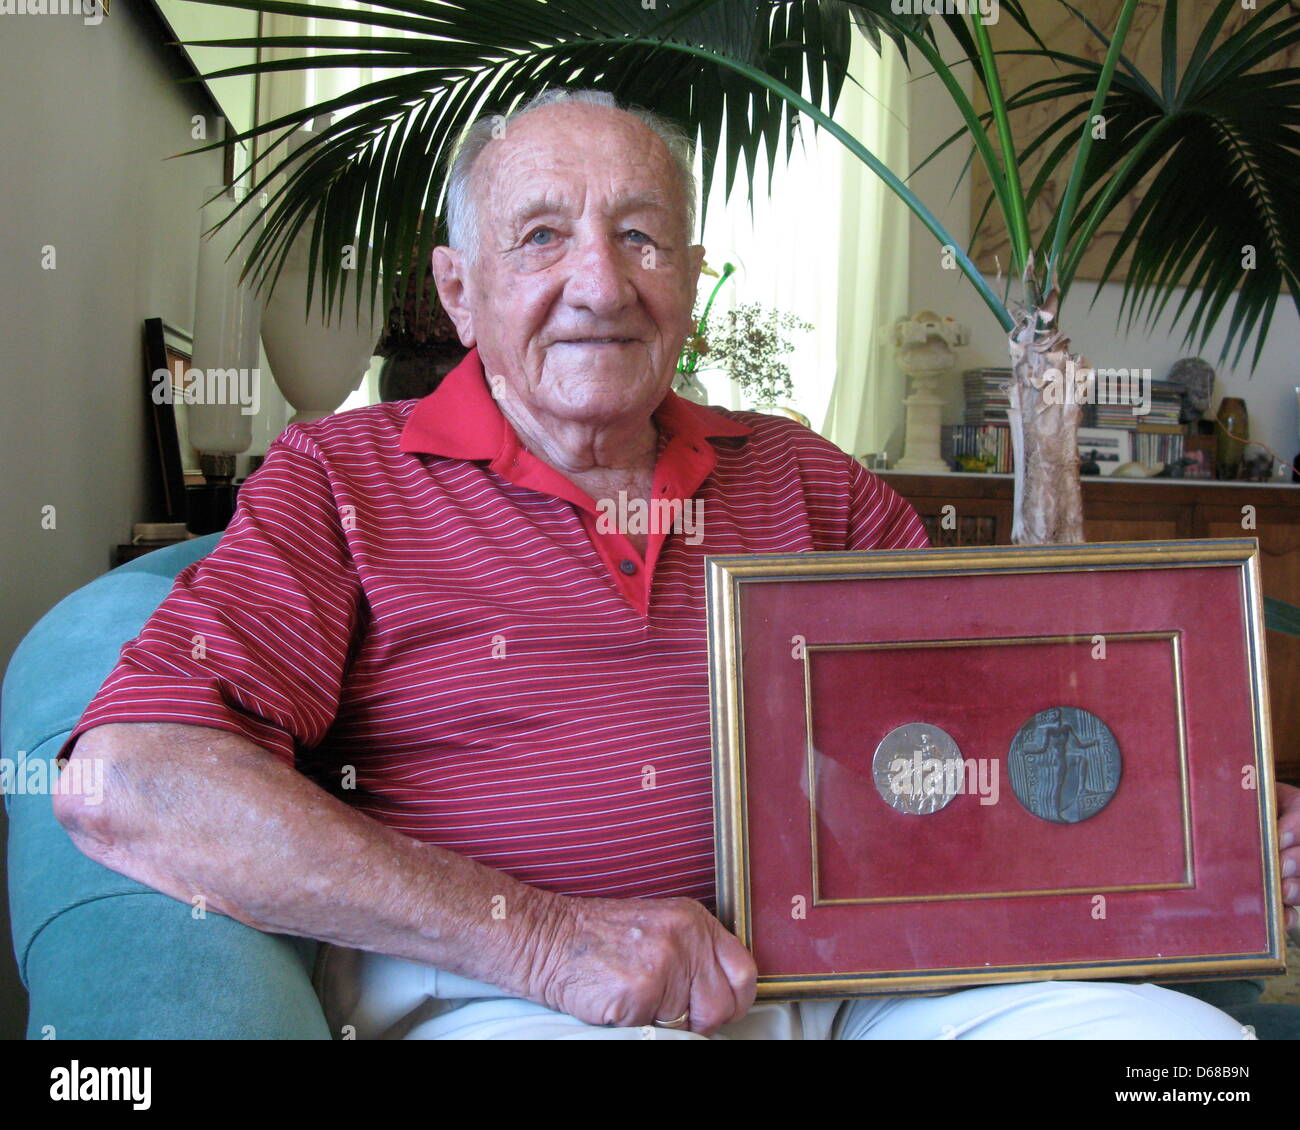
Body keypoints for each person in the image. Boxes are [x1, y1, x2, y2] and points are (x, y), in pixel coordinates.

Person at [55, 88, 1293, 1040]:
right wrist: (547, 940)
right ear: (460, 290)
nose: (600, 281)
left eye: (642, 237)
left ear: (691, 282)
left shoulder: (805, 477)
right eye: (541, 235)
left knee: (1177, 1054)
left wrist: (1208, 822)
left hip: (859, 976)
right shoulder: (343, 477)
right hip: (516, 995)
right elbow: (129, 778)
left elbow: (991, 730)